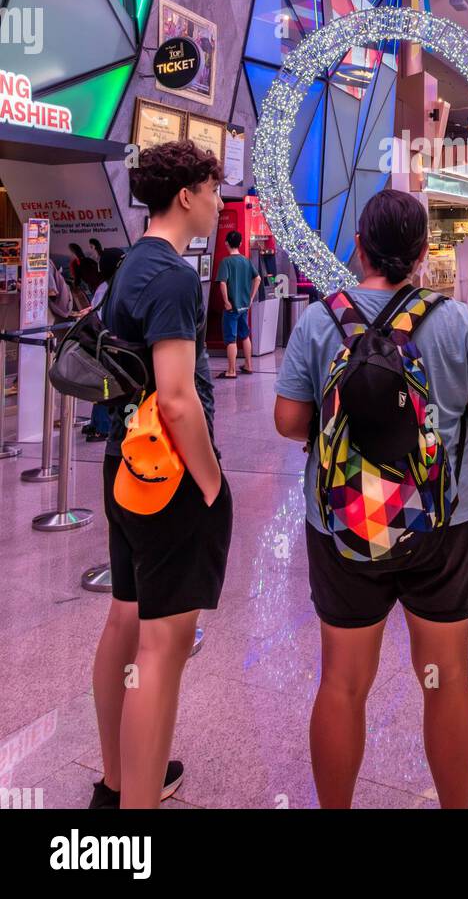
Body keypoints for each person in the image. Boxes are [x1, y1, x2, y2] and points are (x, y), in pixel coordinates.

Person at [273, 188, 468, 809]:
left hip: (343, 523)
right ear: (418, 257)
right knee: (445, 678)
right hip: (445, 522)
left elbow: (288, 421)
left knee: (343, 683)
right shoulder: (453, 320)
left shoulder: (321, 320)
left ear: (358, 246)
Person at [90, 141, 231, 809]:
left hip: (125, 465)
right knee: (161, 648)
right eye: (213, 187)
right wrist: (211, 483)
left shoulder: (129, 265)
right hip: (169, 477)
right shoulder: (174, 275)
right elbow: (176, 397)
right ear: (186, 195)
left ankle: (118, 783)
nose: (219, 200)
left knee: (124, 618)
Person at [82, 248, 126, 442]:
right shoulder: (113, 288)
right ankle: (101, 426)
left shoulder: (104, 287)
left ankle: (96, 423)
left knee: (104, 384)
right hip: (110, 344)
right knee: (107, 386)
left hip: (104, 343)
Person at [216, 230, 261, 377]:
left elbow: (222, 283)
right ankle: (248, 365)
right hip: (244, 306)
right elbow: (258, 279)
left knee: (231, 339)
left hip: (232, 308)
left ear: (226, 243)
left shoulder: (226, 262)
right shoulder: (246, 261)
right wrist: (251, 298)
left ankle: (231, 371)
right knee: (245, 336)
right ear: (240, 243)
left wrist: (226, 301)